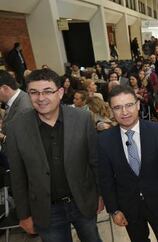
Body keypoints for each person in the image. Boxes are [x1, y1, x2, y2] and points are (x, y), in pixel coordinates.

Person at [6, 68, 103, 241]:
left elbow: (95, 161)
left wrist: (101, 195)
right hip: (46, 209)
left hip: (82, 201)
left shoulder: (82, 119)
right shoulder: (16, 127)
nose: (41, 98)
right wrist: (24, 214)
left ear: (60, 92)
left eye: (47, 91)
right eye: (34, 92)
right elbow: (17, 175)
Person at [98, 85, 158, 242]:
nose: (124, 112)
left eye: (129, 105)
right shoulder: (104, 140)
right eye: (117, 107)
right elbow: (105, 178)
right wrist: (114, 210)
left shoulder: (157, 131)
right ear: (111, 111)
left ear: (137, 105)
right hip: (128, 206)